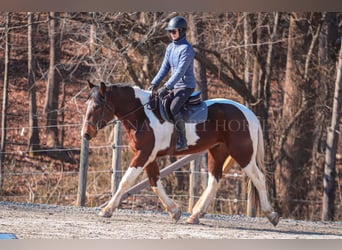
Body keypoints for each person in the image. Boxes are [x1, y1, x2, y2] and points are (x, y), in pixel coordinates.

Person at [149, 16, 196, 151]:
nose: (171, 34)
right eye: (169, 32)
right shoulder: (170, 47)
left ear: (181, 31)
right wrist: (154, 83)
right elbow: (164, 68)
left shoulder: (187, 49)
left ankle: (183, 139)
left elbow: (180, 72)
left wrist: (166, 87)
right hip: (174, 86)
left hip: (186, 86)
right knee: (159, 103)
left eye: (173, 32)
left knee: (174, 107)